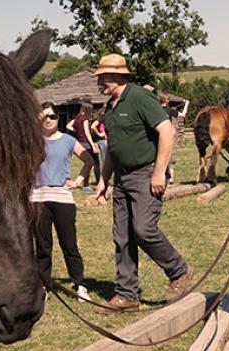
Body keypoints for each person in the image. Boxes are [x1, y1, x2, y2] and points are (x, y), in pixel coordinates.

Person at [92, 54, 192, 312]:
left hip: (145, 173)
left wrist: (159, 173)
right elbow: (113, 149)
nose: (99, 82)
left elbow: (167, 131)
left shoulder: (138, 97)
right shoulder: (111, 108)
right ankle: (127, 295)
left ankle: (178, 271)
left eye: (102, 77)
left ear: (117, 76)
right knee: (122, 236)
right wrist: (103, 180)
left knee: (144, 229)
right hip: (122, 178)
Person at [34, 101, 95, 301]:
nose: (48, 120)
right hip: (37, 199)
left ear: (58, 118)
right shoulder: (32, 141)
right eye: (43, 117)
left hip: (63, 199)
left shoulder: (68, 140)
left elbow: (89, 159)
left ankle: (80, 285)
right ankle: (44, 286)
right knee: (43, 248)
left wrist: (79, 179)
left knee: (69, 245)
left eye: (52, 116)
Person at [67, 101, 100, 189]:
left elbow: (68, 126)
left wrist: (77, 131)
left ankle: (86, 184)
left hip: (80, 142)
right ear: (88, 109)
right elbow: (87, 133)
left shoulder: (77, 118)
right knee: (95, 163)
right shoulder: (85, 119)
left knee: (87, 163)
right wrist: (93, 145)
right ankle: (89, 184)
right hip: (86, 143)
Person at [158, 91, 179, 184]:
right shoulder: (170, 111)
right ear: (166, 101)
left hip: (158, 136)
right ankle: (170, 178)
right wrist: (186, 104)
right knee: (171, 156)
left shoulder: (156, 110)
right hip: (168, 136)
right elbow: (182, 115)